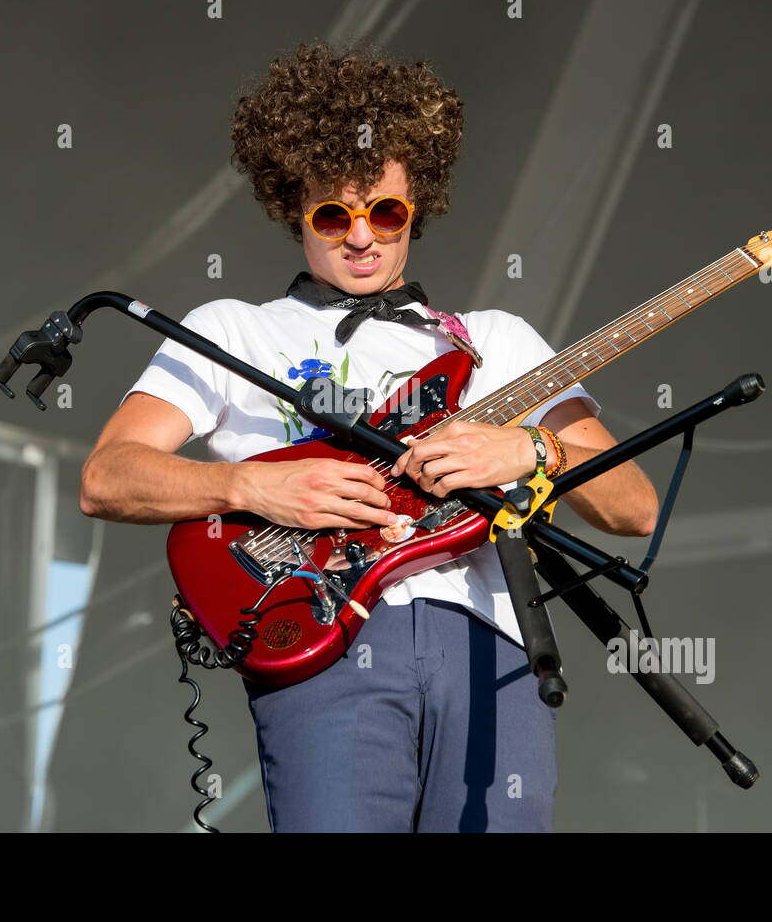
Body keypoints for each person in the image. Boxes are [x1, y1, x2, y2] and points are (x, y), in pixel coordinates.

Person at [79, 40, 658, 832]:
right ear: (294, 210)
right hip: (324, 638)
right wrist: (251, 483)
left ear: (417, 206)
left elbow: (634, 508)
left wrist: (533, 450)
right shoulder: (233, 332)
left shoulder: (498, 340)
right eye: (333, 214)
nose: (362, 236)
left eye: (386, 211)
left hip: (491, 646)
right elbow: (108, 475)